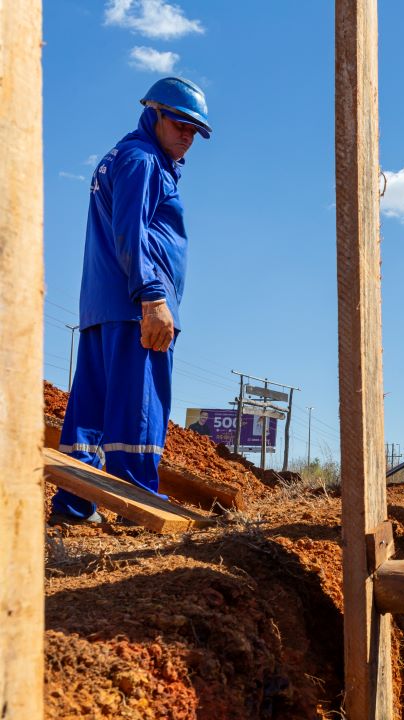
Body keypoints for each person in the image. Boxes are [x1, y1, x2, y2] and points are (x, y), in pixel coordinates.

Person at [49, 77, 212, 524]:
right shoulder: (143, 161)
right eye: (180, 124)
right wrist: (152, 295)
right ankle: (139, 509)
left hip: (104, 307)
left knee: (92, 413)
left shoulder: (121, 157)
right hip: (136, 306)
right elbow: (132, 232)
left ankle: (74, 505)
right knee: (139, 412)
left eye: (194, 131)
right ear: (154, 114)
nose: (187, 136)